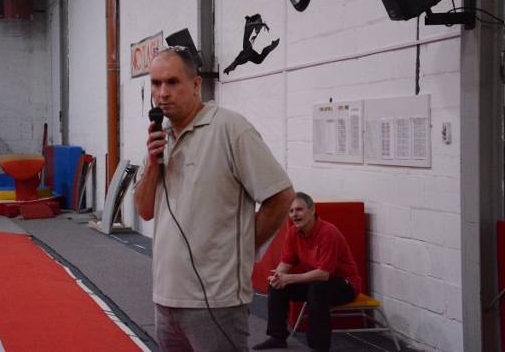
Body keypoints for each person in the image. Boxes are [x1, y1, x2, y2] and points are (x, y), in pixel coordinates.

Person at [134, 46, 295, 352]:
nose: (162, 93)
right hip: (166, 298)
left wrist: (243, 249)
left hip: (217, 301)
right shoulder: (160, 138)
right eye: (156, 83)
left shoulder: (230, 128)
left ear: (196, 84)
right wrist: (153, 163)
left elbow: (281, 194)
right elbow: (144, 210)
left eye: (172, 82)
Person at [252, 192, 361, 352]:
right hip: (316, 281)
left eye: (299, 210)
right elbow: (286, 263)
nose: (294, 215)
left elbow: (323, 274)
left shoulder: (328, 233)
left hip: (344, 285)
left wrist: (288, 278)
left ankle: (319, 347)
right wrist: (278, 277)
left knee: (317, 288)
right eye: (291, 211)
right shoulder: (293, 233)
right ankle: (277, 337)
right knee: (277, 285)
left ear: (311, 210)